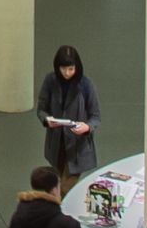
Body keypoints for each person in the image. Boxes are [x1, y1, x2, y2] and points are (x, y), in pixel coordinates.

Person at [34, 44, 100, 178]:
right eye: (63, 68)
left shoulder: (85, 85)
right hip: (56, 144)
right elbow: (41, 109)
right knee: (58, 179)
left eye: (71, 69)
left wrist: (87, 127)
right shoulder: (50, 81)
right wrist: (46, 120)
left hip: (77, 146)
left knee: (67, 185)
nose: (67, 73)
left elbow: (95, 116)